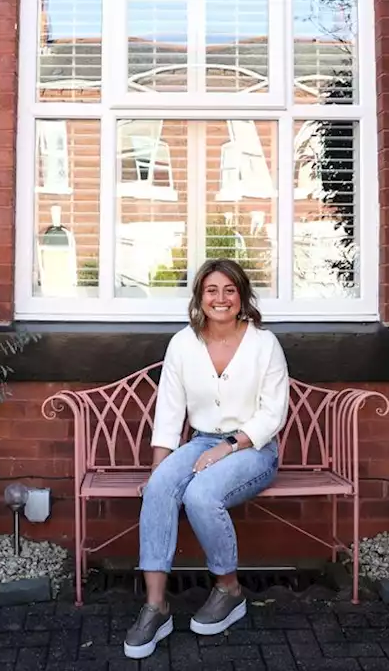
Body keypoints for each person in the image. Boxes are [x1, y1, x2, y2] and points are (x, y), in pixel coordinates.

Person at [123, 257, 290, 660]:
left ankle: (229, 589)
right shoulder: (183, 343)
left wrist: (229, 445)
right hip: (200, 443)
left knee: (200, 495)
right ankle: (156, 607)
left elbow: (273, 414)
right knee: (161, 487)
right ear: (200, 297)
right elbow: (169, 411)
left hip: (253, 448)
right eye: (212, 290)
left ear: (242, 296)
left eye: (229, 290)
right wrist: (158, 468)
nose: (221, 298)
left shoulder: (264, 344)